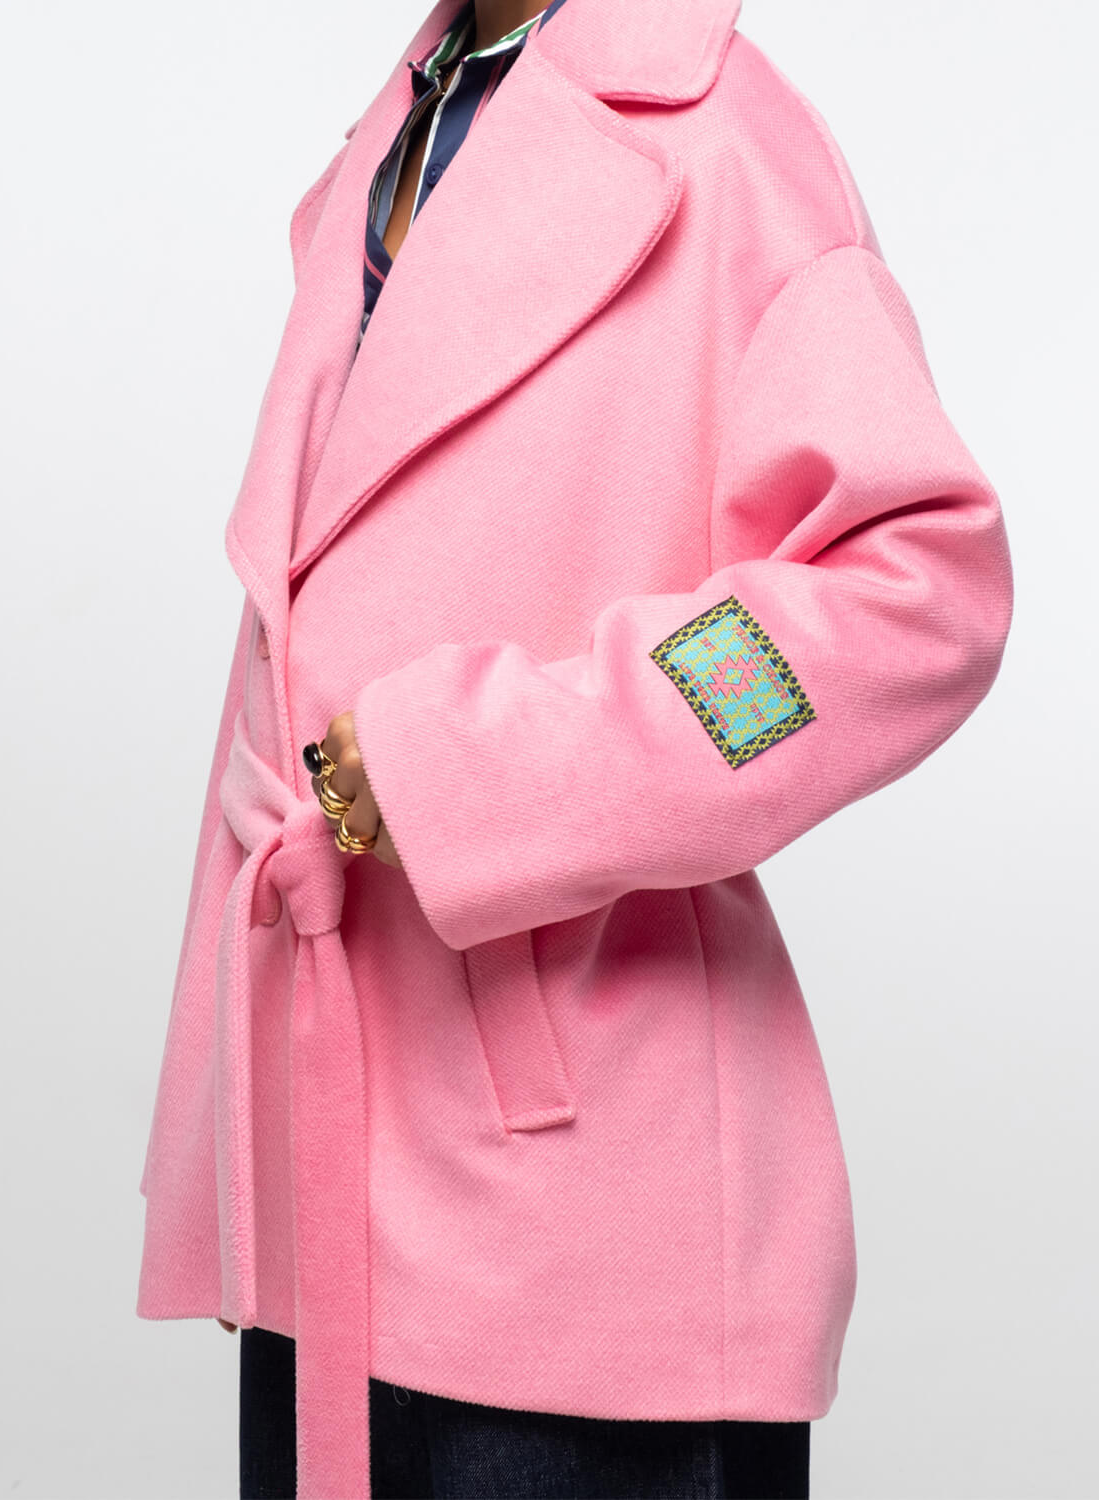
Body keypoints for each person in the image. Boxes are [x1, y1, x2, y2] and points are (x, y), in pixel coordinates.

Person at [136, 0, 1015, 1496]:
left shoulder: (729, 145)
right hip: (329, 1145)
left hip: (576, 1196)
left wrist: (491, 762)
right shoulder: (409, 123)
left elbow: (910, 598)